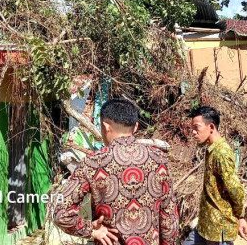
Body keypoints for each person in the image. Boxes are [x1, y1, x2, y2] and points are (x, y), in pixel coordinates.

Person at [53, 98, 179, 245]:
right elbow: (169, 221)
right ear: (136, 126)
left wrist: (91, 230)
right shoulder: (159, 160)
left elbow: (61, 214)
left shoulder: (93, 163)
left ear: (106, 126)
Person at [184, 106, 247, 245]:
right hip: (205, 225)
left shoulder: (222, 153)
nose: (193, 133)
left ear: (211, 127)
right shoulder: (212, 150)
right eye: (192, 129)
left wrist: (241, 216)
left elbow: (235, 189)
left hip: (219, 229)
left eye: (197, 128)